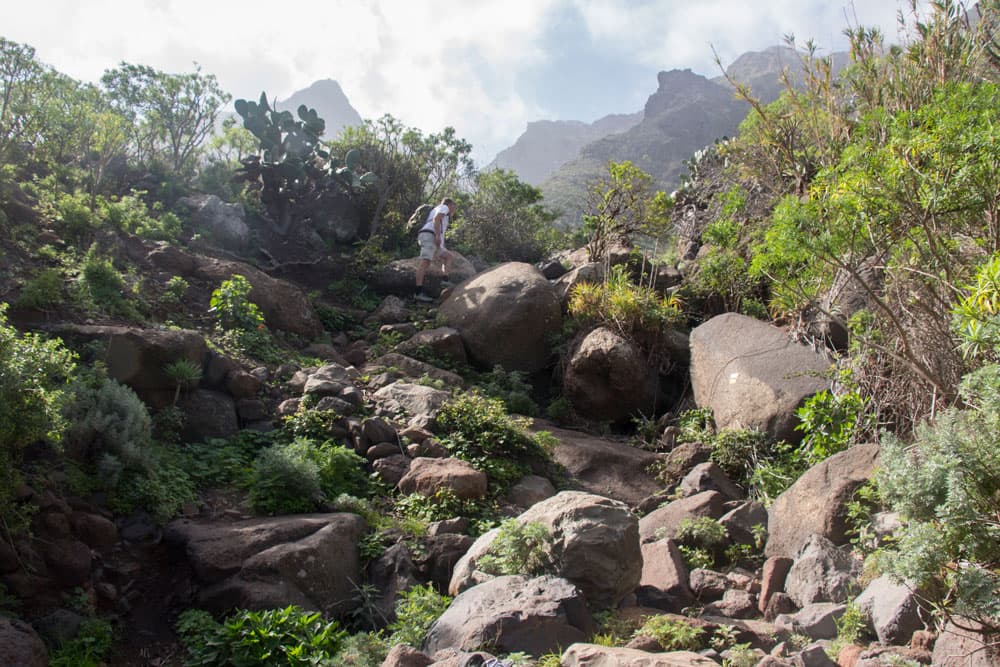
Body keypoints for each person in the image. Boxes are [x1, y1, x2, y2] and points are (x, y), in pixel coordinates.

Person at [414, 197, 456, 302]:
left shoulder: (440, 211)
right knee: (425, 262)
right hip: (430, 235)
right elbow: (436, 219)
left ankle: (445, 280)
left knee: (448, 256)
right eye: (454, 207)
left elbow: (439, 223)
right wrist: (437, 236)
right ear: (450, 205)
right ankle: (418, 292)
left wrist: (441, 244)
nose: (454, 210)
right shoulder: (444, 207)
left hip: (433, 238)